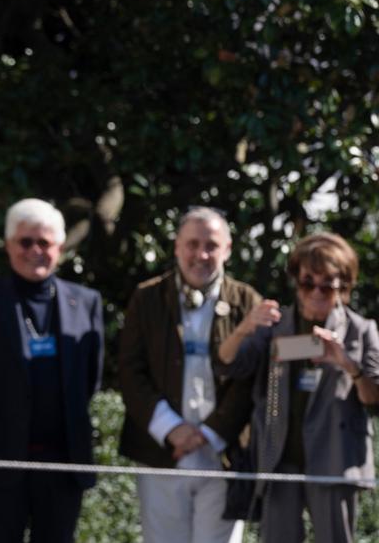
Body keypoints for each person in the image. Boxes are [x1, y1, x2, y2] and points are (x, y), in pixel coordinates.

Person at [0, 198, 103, 543]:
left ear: (59, 246)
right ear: (9, 245)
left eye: (44, 242)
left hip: (63, 464)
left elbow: (90, 377)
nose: (35, 251)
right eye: (25, 242)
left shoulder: (86, 302)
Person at [216, 232, 379, 543]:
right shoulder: (275, 326)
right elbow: (228, 364)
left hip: (336, 459)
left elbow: (375, 402)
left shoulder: (361, 330)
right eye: (308, 283)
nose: (316, 292)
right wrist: (244, 329)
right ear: (296, 282)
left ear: (343, 286)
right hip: (280, 458)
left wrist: (349, 366)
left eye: (326, 284)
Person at [117, 207, 259, 543]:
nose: (201, 254)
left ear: (227, 249)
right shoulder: (147, 297)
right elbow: (130, 370)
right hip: (162, 453)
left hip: (221, 456)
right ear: (177, 247)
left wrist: (209, 433)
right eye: (192, 244)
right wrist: (172, 429)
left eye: (211, 245)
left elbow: (250, 379)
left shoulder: (245, 301)